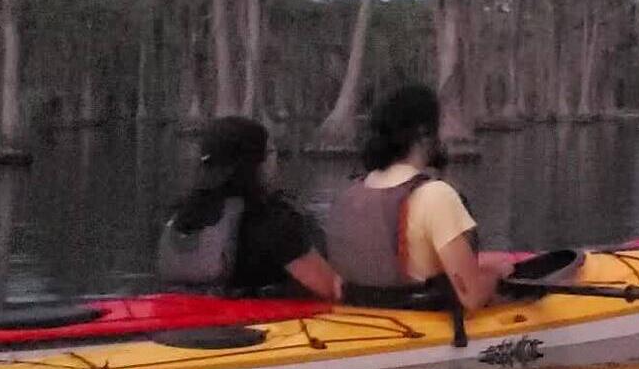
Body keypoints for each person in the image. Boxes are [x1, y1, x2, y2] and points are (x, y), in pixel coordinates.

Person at [326, 85, 514, 311]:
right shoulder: (437, 195)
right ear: (425, 134)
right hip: (420, 328)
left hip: (357, 324)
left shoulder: (347, 194)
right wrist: (497, 276)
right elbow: (471, 297)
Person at [158, 117, 341, 300]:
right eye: (270, 152)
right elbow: (329, 288)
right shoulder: (274, 221)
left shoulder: (179, 215)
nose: (275, 159)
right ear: (256, 164)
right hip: (250, 324)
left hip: (184, 319)